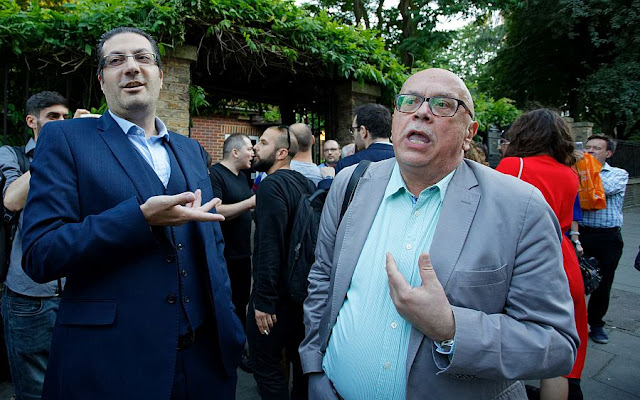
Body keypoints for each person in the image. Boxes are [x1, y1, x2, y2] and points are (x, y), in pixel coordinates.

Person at [299, 68, 579, 400]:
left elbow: (556, 344)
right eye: (409, 101)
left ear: (469, 133)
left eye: (443, 105)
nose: (421, 112)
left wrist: (450, 327)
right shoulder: (350, 183)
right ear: (395, 120)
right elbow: (323, 278)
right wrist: (314, 368)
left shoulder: (521, 207)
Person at [21, 27, 244, 400]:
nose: (131, 67)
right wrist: (138, 220)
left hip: (205, 362)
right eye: (116, 60)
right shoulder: (67, 140)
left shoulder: (190, 150)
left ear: (160, 75)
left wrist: (230, 326)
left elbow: (211, 242)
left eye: (143, 58)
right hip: (112, 365)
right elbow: (40, 253)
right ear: (101, 80)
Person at [0, 91, 91, 400]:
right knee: (35, 390)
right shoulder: (12, 155)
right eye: (53, 117)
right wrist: (54, 149)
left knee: (76, 384)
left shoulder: (75, 156)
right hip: (30, 297)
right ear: (32, 121)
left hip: (78, 293)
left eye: (65, 117)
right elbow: (12, 200)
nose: (62, 122)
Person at [497, 109, 587, 400]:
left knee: (498, 341)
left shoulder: (514, 165)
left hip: (523, 257)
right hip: (563, 257)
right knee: (557, 357)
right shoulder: (570, 173)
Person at [249, 126, 315, 399]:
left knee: (266, 366)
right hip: (301, 295)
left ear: (281, 153)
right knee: (301, 367)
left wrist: (263, 301)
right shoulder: (307, 184)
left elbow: (269, 244)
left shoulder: (271, 186)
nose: (255, 147)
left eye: (263, 143)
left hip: (275, 301)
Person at [580, 134, 629, 344]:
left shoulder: (618, 174)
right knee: (575, 281)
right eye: (588, 147)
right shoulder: (580, 172)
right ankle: (574, 322)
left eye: (596, 148)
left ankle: (596, 323)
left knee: (604, 283)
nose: (590, 151)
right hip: (582, 234)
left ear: (608, 153)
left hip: (608, 237)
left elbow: (600, 190)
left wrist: (584, 170)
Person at [209, 133, 255, 331]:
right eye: (249, 149)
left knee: (242, 301)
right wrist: (250, 203)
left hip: (243, 254)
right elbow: (215, 211)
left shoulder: (243, 176)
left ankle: (240, 342)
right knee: (226, 304)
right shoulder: (215, 175)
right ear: (235, 152)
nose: (253, 153)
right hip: (224, 255)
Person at [334, 103, 394, 174]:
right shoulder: (402, 160)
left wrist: (328, 178)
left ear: (363, 131)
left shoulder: (346, 164)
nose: (353, 134)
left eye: (353, 130)